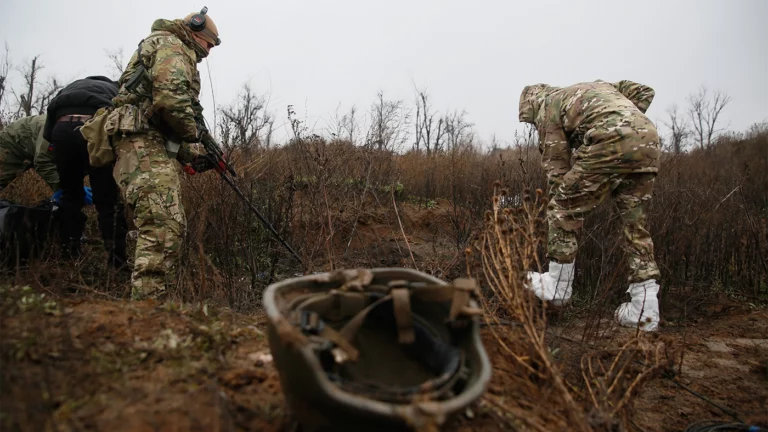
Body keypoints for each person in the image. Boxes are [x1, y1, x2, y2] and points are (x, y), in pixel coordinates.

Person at [518, 79, 662, 332]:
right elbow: (644, 91)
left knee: (562, 207)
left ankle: (558, 287)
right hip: (647, 142)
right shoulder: (596, 88)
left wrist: (564, 204)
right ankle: (645, 311)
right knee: (635, 227)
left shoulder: (547, 107)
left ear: (532, 104)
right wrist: (627, 120)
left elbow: (557, 170)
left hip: (609, 140)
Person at [110, 7, 220, 299]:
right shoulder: (173, 46)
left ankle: (152, 303)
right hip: (140, 140)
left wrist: (190, 155)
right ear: (195, 32)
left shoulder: (168, 46)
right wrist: (196, 134)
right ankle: (148, 313)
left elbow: (161, 115)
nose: (207, 52)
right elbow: (170, 100)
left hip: (146, 140)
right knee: (162, 225)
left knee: (167, 224)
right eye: (208, 45)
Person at [44, 76, 129, 268]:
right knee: (107, 203)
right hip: (96, 128)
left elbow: (48, 130)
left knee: (70, 196)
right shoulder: (116, 91)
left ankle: (68, 256)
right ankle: (117, 264)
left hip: (61, 129)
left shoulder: (72, 86)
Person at [0, 115, 59, 193]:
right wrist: (67, 190)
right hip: (11, 143)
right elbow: (43, 162)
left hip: (32, 146)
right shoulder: (53, 130)